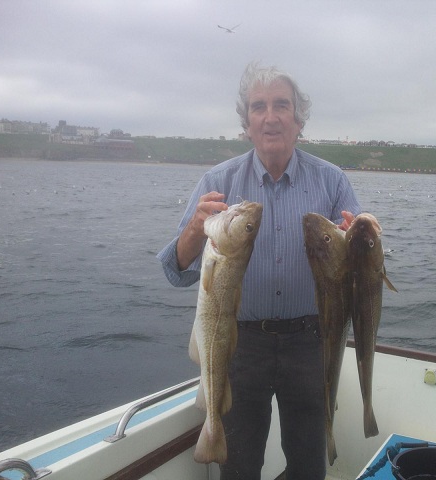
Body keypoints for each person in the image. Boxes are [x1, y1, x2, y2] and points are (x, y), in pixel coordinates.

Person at [157, 62, 362, 480]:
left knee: (308, 464)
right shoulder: (218, 180)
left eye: (282, 105)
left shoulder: (331, 181)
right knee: (240, 464)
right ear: (246, 123)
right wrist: (196, 229)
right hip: (238, 344)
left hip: (311, 342)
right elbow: (175, 271)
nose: (271, 116)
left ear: (299, 120)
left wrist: (356, 242)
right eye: (259, 107)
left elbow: (358, 269)